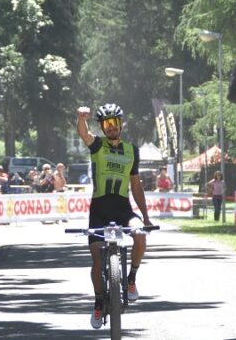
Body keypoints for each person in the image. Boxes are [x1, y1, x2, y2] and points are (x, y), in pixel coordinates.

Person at [77, 103, 152, 329]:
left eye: (114, 123)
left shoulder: (132, 150)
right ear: (102, 127)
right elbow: (83, 133)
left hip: (123, 209)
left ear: (120, 124)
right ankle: (99, 301)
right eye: (107, 124)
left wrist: (146, 216)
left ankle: (131, 279)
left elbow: (136, 187)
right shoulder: (97, 145)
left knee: (139, 235)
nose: (111, 127)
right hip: (99, 210)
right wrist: (81, 118)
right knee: (97, 261)